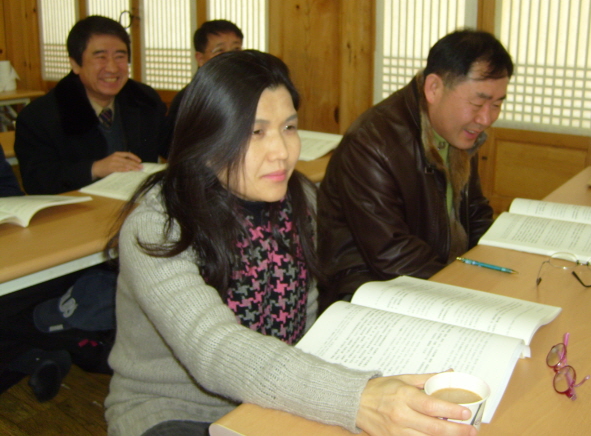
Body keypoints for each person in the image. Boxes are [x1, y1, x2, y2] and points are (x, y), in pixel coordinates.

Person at [104, 50, 476, 436]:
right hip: (175, 410)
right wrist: (357, 397)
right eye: (256, 132)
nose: (281, 152)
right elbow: (213, 347)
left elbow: (309, 322)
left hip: (276, 399)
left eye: (289, 127)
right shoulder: (159, 226)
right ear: (208, 137)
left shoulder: (300, 201)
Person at [317, 29, 514, 309]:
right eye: (477, 103)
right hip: (371, 292)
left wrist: (501, 266)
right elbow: (392, 255)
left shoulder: (457, 131)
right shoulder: (373, 143)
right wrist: (468, 293)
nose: (486, 118)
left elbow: (475, 213)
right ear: (434, 88)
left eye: (496, 104)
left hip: (439, 276)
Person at [14, 15, 169, 195]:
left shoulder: (144, 99)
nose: (112, 68)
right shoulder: (40, 116)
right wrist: (94, 169)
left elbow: (172, 144)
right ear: (75, 64)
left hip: (139, 202)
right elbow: (36, 181)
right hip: (77, 208)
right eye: (101, 57)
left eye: (120, 57)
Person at [166, 19, 244, 126]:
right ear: (200, 59)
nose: (230, 56)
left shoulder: (247, 89)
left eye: (236, 49)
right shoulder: (189, 99)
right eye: (220, 50)